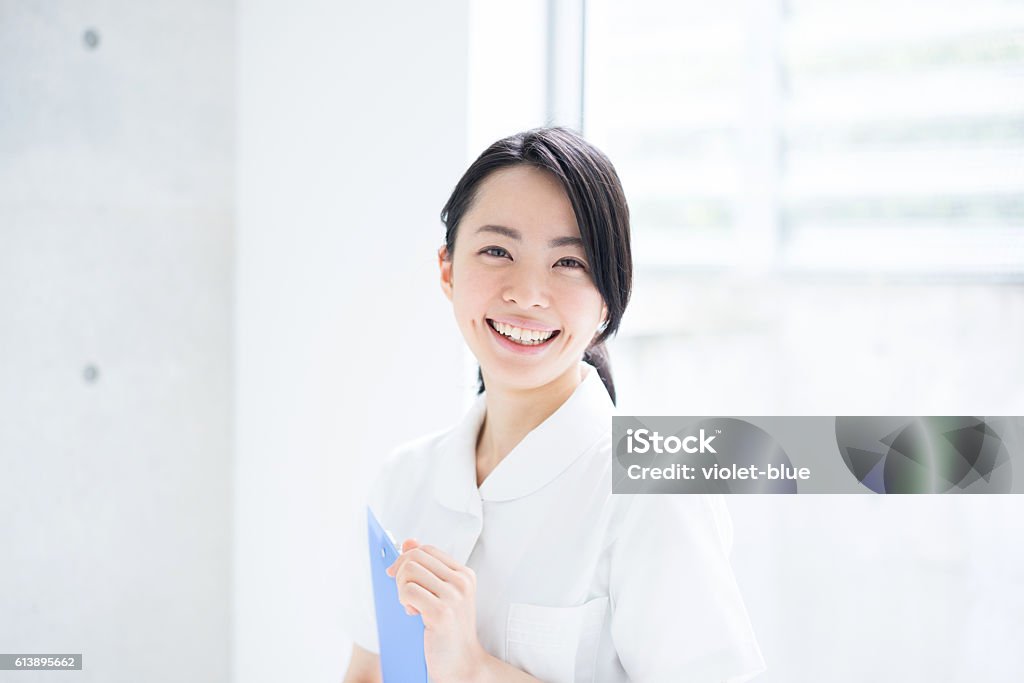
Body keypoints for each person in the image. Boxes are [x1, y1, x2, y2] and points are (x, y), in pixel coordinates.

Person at [342, 126, 766, 682]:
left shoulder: (655, 489)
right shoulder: (404, 480)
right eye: (497, 251)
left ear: (609, 300)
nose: (527, 293)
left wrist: (474, 670)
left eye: (569, 263)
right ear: (447, 269)